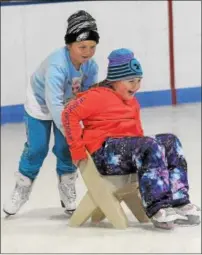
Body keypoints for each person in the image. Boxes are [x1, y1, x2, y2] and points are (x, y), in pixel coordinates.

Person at [61, 48, 200, 229]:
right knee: (149, 146)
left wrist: (148, 151)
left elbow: (136, 133)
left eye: (139, 81)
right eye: (131, 81)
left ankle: (179, 200)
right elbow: (68, 113)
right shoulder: (97, 97)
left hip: (126, 152)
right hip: (104, 152)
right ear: (115, 80)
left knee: (170, 141)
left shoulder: (131, 101)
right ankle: (158, 206)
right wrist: (76, 148)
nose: (136, 86)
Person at [3, 10, 100, 216]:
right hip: (42, 103)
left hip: (66, 105)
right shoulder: (58, 65)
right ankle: (22, 187)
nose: (88, 52)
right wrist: (70, 131)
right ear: (69, 44)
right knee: (37, 148)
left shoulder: (90, 67)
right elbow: (53, 103)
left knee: (66, 148)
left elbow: (88, 97)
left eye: (92, 47)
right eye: (82, 47)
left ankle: (67, 184)